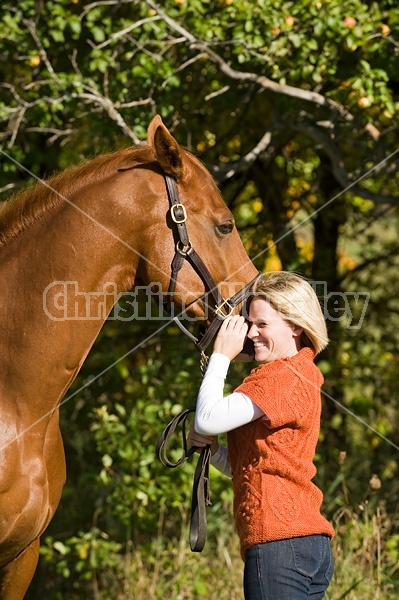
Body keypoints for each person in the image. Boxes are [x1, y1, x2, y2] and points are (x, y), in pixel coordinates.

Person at [187, 271, 334, 600]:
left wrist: (221, 355)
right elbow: (256, 467)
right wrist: (215, 452)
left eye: (262, 325)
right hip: (306, 546)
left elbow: (208, 419)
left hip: (279, 547)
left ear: (295, 326)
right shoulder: (298, 373)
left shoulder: (281, 377)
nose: (251, 333)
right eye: (249, 323)